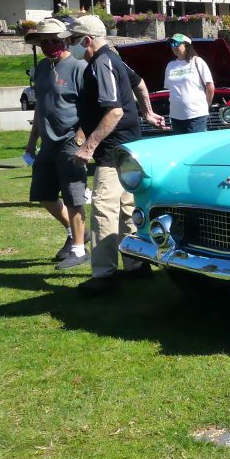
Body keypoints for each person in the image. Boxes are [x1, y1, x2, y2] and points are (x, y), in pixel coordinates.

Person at [67, 15, 163, 295]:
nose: (71, 46)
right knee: (126, 208)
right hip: (130, 146)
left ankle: (103, 275)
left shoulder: (100, 63)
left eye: (73, 41)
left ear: (87, 40)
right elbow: (140, 83)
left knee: (102, 209)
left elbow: (114, 111)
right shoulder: (115, 57)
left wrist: (88, 147)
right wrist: (147, 112)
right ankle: (137, 265)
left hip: (113, 150)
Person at [22, 18, 91, 270]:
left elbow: (91, 108)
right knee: (43, 194)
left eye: (55, 40)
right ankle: (76, 234)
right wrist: (31, 144)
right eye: (45, 42)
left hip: (71, 141)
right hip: (47, 145)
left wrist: (81, 139)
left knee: (74, 197)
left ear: (65, 41)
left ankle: (78, 249)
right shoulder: (41, 68)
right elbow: (41, 107)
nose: (50, 45)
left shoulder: (79, 67)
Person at [164, 33, 214, 134]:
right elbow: (170, 89)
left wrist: (206, 106)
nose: (174, 46)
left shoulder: (197, 62)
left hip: (196, 115)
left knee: (198, 146)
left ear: (186, 45)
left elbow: (210, 87)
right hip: (176, 116)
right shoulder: (170, 65)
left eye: (177, 43)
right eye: (172, 44)